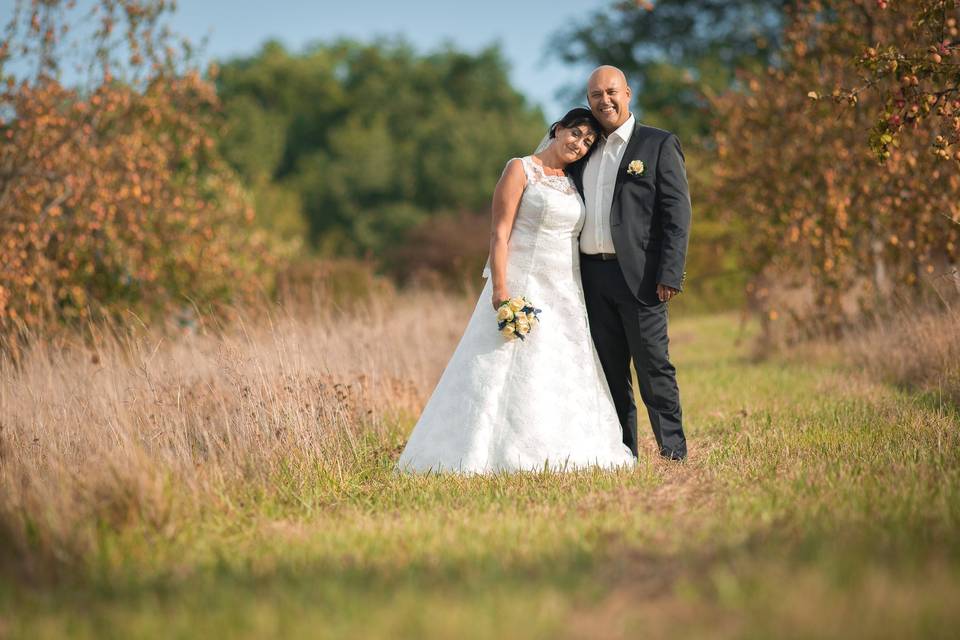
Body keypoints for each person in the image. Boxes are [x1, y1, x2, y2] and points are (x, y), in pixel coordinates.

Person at [396, 108, 636, 474]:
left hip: (565, 292)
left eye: (588, 141)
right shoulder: (520, 169)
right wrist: (501, 288)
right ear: (557, 130)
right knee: (499, 364)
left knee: (561, 366)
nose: (580, 144)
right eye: (576, 134)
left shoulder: (573, 181)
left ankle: (562, 447)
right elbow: (499, 233)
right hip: (523, 284)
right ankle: (480, 451)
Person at [567, 66, 691, 461]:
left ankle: (673, 451)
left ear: (628, 93)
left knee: (654, 369)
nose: (604, 100)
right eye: (595, 95)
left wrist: (669, 273)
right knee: (609, 374)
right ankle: (623, 455)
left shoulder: (658, 145)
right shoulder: (583, 150)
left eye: (611, 91)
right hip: (591, 277)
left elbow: (677, 214)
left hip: (641, 279)